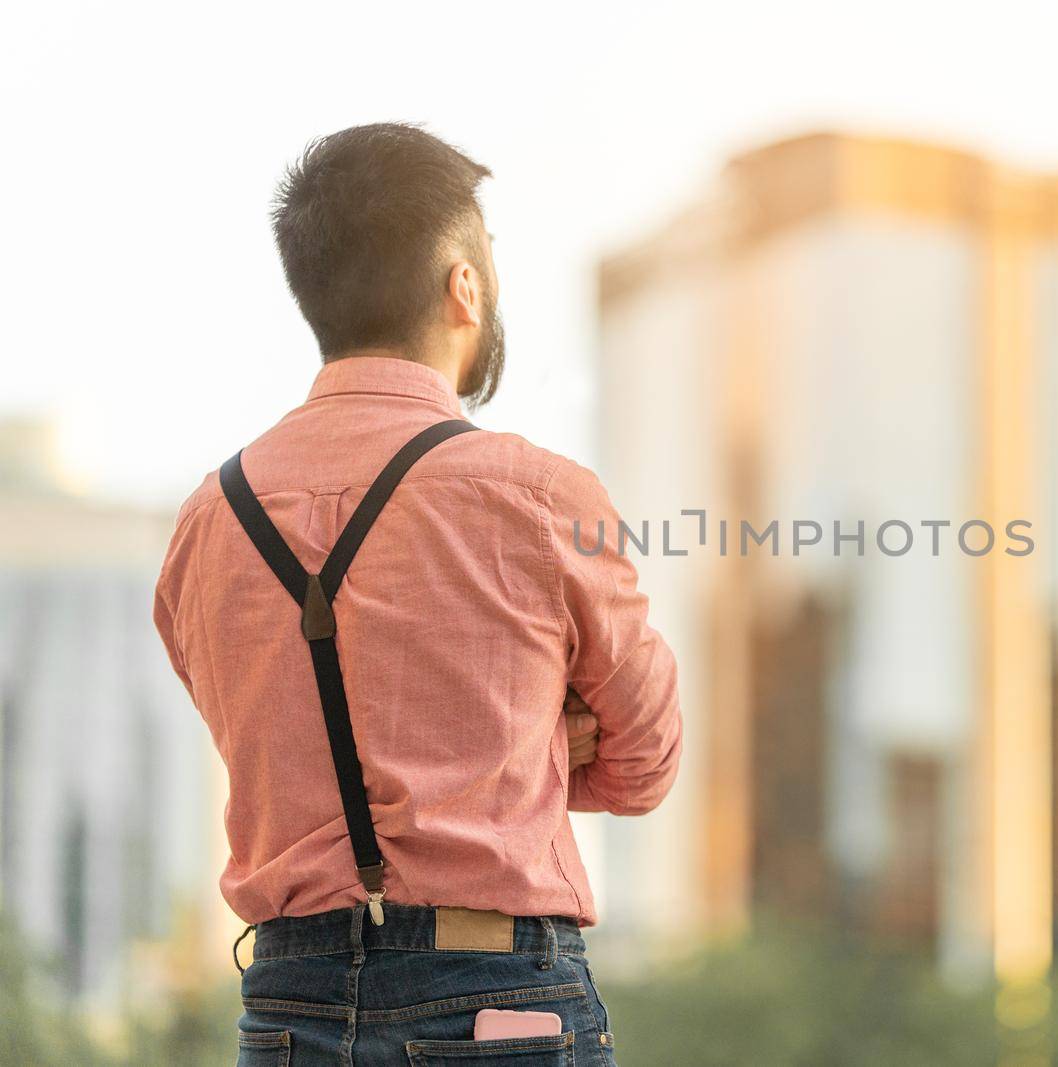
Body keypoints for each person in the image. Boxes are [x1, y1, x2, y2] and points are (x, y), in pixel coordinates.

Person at [152, 123, 682, 1066]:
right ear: (463, 287)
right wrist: (530, 744)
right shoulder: (539, 496)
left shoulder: (205, 525)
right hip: (497, 1002)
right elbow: (645, 760)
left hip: (284, 1007)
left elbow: (272, 745)